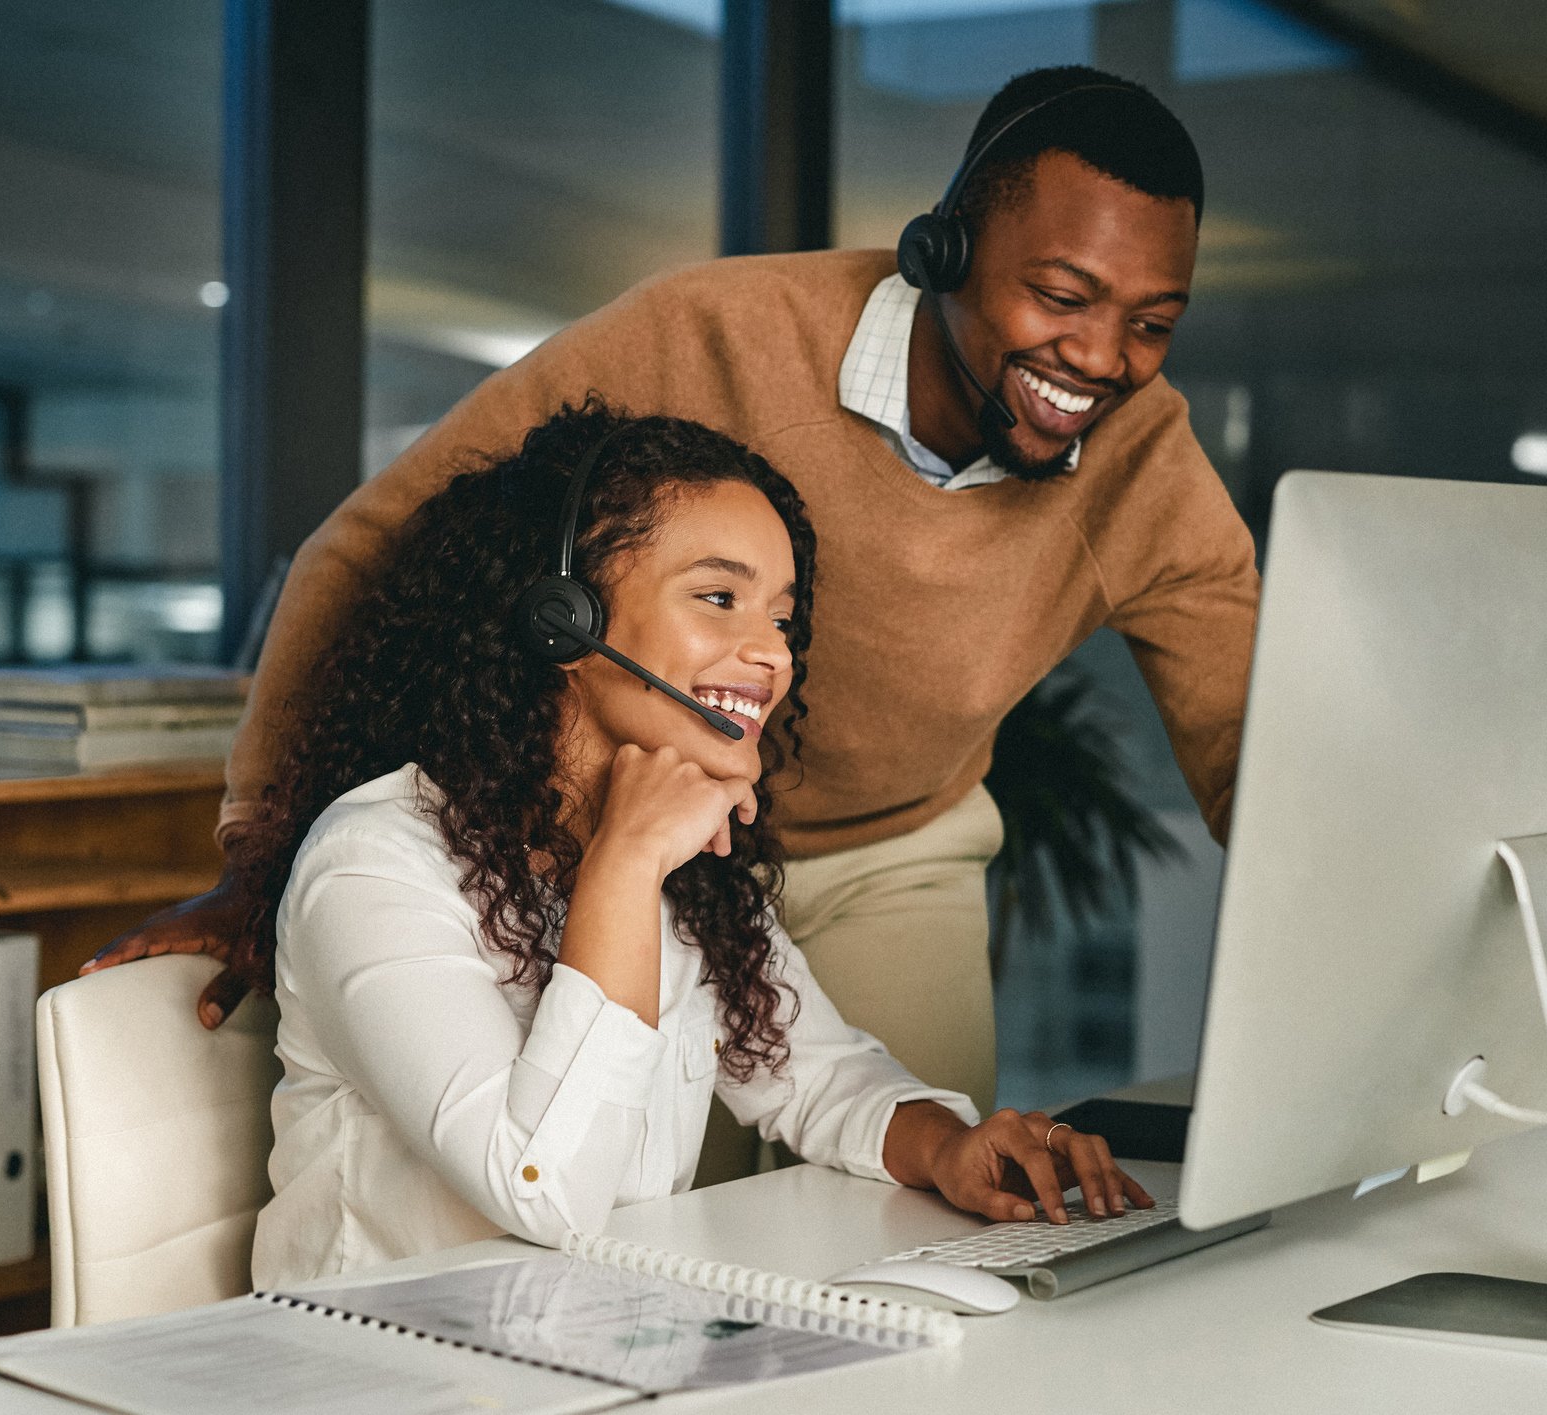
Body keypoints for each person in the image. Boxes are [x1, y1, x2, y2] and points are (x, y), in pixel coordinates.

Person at [93, 65, 1258, 1149]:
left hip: (890, 851)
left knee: (921, 1192)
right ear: (943, 247)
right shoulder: (707, 333)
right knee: (640, 1220)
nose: (1101, 357)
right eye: (1062, 295)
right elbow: (370, 546)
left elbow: (1253, 751)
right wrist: (260, 851)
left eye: (1152, 323)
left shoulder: (1143, 463)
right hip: (635, 842)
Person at [244, 405, 1148, 1285]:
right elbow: (543, 1192)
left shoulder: (683, 856)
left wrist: (947, 1145)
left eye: (781, 618)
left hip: (587, 1340)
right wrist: (625, 868)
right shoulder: (375, 863)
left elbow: (817, 1076)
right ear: (563, 619)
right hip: (389, 1370)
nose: (772, 655)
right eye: (719, 599)